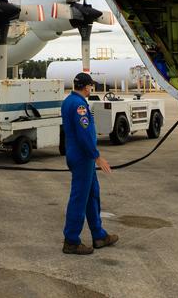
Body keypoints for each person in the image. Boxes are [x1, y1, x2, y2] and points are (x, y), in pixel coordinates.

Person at [60, 72, 118, 255]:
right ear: (86, 87)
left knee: (92, 194)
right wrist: (96, 156)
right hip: (83, 157)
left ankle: (99, 235)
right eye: (90, 86)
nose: (90, 89)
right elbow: (84, 134)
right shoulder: (79, 106)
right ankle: (71, 240)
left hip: (78, 155)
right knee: (79, 198)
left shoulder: (68, 101)